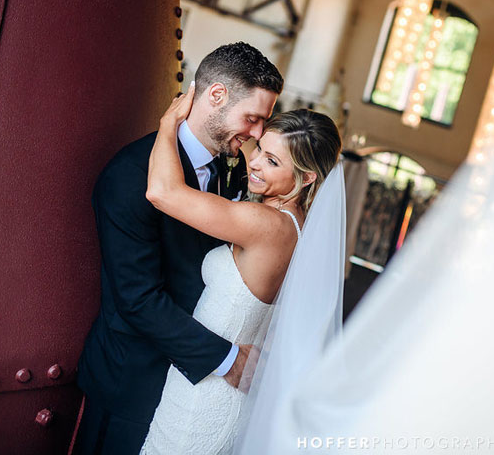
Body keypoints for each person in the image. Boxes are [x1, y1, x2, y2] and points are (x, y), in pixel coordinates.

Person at [74, 43, 282, 455]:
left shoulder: (232, 166)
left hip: (188, 387)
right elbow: (137, 299)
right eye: (252, 119)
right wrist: (226, 358)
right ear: (216, 96)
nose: (257, 134)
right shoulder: (130, 175)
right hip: (132, 383)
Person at [140, 85, 344, 454]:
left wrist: (168, 123)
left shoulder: (265, 224)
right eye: (261, 150)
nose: (254, 163)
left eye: (273, 162)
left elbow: (162, 192)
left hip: (203, 400)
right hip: (218, 388)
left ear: (308, 177)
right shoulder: (296, 226)